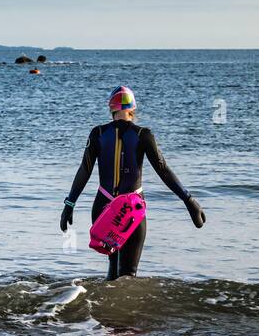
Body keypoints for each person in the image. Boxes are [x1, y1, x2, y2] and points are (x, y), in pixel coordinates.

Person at [60, 86, 205, 280]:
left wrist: (70, 204)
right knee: (128, 275)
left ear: (111, 109)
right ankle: (127, 309)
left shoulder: (98, 133)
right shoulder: (143, 134)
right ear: (133, 109)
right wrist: (189, 200)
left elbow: (84, 170)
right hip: (131, 210)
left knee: (112, 272)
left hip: (104, 206)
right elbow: (163, 169)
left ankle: (100, 308)